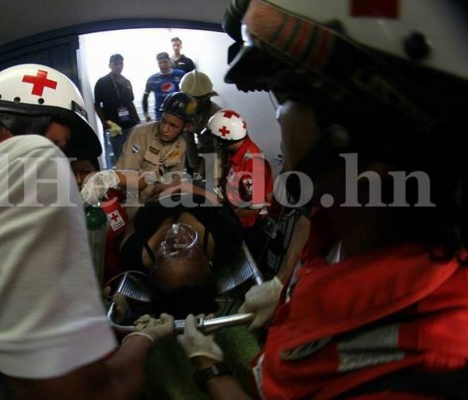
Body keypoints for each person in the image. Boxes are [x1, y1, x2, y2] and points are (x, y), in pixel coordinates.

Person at [177, 0, 468, 399]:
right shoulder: (341, 226)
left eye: (286, 98)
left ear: (357, 130)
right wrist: (284, 288)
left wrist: (210, 369)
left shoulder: (424, 367)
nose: (278, 117)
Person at [0, 63, 175, 400]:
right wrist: (141, 341)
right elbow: (79, 391)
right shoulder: (32, 159)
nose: (65, 157)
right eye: (63, 143)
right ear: (31, 121)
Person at [116, 91, 197, 203]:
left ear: (186, 127)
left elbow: (174, 179)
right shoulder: (140, 134)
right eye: (163, 121)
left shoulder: (181, 144)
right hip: (132, 197)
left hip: (159, 200)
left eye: (173, 126)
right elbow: (128, 178)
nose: (164, 129)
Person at [203, 109, 273, 232]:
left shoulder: (253, 166)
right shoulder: (234, 150)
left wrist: (228, 214)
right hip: (230, 206)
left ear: (222, 141)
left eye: (214, 138)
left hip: (244, 224)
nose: (213, 142)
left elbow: (255, 208)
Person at [94, 53, 140, 164]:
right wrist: (104, 122)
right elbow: (97, 105)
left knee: (135, 153)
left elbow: (131, 103)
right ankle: (124, 179)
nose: (118, 66)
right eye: (115, 64)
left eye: (121, 64)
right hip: (115, 126)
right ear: (110, 65)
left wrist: (137, 120)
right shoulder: (102, 82)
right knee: (120, 156)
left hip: (130, 124)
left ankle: (136, 178)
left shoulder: (127, 82)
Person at [179, 70, 223, 177]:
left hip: (216, 152)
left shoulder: (217, 114)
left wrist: (217, 175)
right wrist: (194, 168)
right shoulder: (185, 111)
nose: (195, 106)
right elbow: (188, 141)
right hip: (200, 149)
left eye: (199, 102)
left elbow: (218, 150)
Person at [142, 52, 185, 122]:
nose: (163, 65)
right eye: (160, 63)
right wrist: (146, 114)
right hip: (160, 116)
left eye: (165, 62)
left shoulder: (181, 75)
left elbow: (188, 94)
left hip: (177, 114)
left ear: (170, 61)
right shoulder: (152, 79)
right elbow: (145, 96)